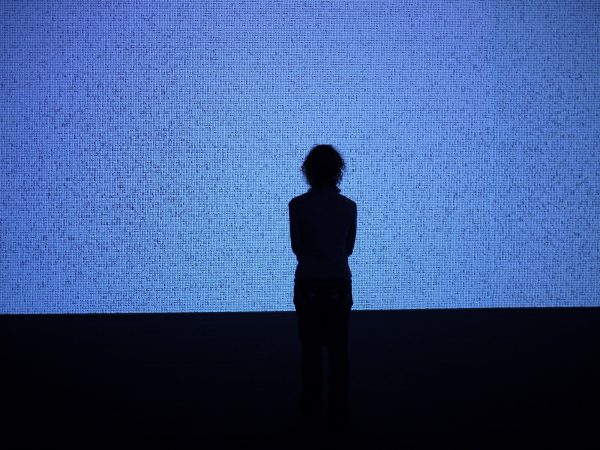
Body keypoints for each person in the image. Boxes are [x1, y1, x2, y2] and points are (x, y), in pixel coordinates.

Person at [288, 144, 357, 431]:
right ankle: (339, 415)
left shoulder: (297, 205)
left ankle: (311, 416)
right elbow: (349, 248)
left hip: (309, 282)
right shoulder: (348, 206)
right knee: (339, 350)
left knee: (311, 351)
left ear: (308, 171)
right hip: (338, 282)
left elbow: (297, 247)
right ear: (338, 171)